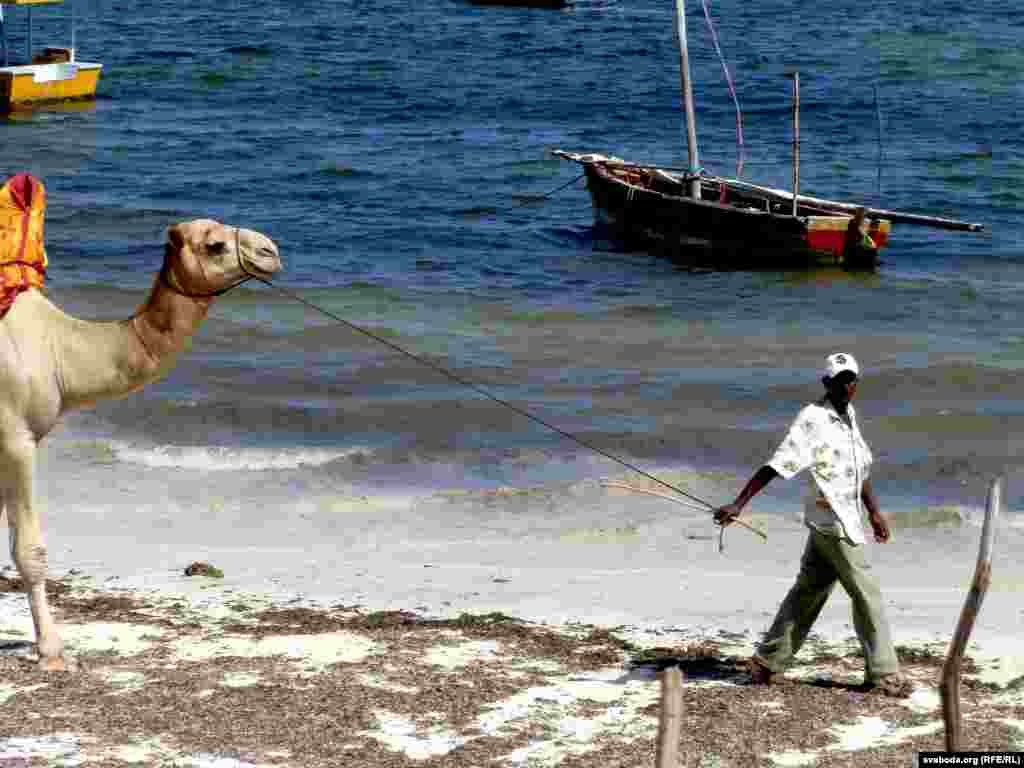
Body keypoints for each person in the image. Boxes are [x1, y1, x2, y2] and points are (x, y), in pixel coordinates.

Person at [714, 352, 911, 697]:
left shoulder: (848, 415)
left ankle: (767, 662)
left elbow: (858, 467)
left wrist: (874, 512)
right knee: (867, 594)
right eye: (840, 380)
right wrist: (740, 503)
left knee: (808, 592)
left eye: (852, 379)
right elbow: (777, 463)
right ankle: (884, 673)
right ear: (826, 383)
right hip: (831, 520)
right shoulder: (813, 418)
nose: (848, 386)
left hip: (842, 520)